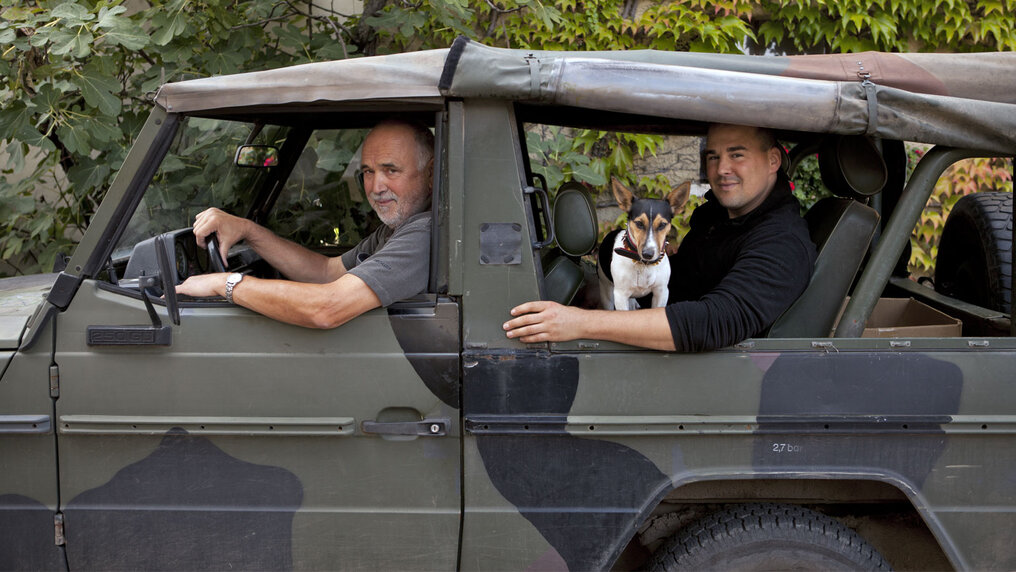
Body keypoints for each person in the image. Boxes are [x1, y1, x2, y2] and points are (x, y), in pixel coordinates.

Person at [503, 123, 817, 351]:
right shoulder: (722, 218)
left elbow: (711, 323)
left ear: (773, 160)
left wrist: (580, 322)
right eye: (712, 156)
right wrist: (604, 283)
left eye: (737, 155)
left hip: (706, 376)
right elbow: (680, 277)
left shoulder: (781, 243)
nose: (722, 169)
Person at [176, 119, 434, 329]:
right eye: (368, 171)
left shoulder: (424, 232)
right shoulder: (394, 230)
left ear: (431, 174)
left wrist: (223, 284)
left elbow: (326, 308)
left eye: (391, 171)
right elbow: (326, 272)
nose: (376, 187)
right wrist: (249, 230)